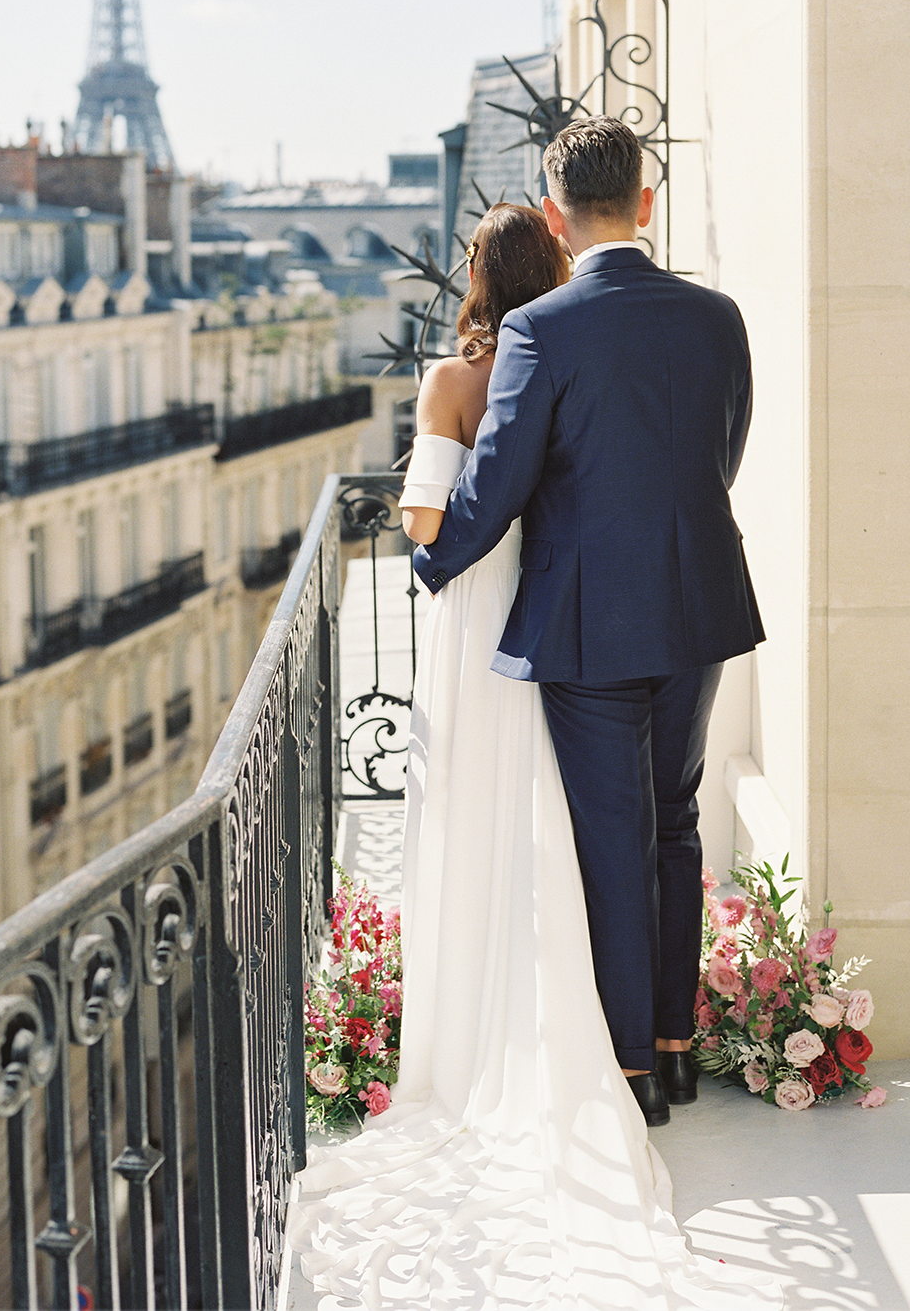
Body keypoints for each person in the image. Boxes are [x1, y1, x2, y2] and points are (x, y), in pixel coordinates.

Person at [285, 184, 774, 1309]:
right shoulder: (719, 313)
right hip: (698, 598)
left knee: (611, 832)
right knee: (676, 817)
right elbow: (724, 449)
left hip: (588, 614)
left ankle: (638, 1073)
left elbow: (499, 474)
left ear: (560, 213)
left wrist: (435, 556)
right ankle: (679, 1040)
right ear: (644, 197)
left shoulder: (536, 332)